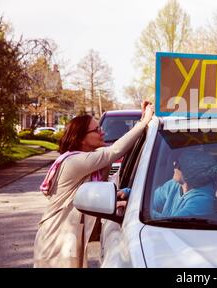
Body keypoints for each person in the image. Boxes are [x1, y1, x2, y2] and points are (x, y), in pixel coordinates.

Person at [33, 101, 154, 268]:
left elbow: (98, 186)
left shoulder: (88, 160)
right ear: (81, 137)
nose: (102, 132)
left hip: (68, 235)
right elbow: (114, 151)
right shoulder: (74, 161)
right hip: (58, 237)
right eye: (97, 130)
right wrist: (143, 122)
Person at [152, 150, 217, 218]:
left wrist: (149, 214)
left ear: (190, 172)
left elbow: (173, 224)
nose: (174, 164)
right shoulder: (173, 184)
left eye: (177, 163)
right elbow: (148, 204)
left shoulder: (201, 203)